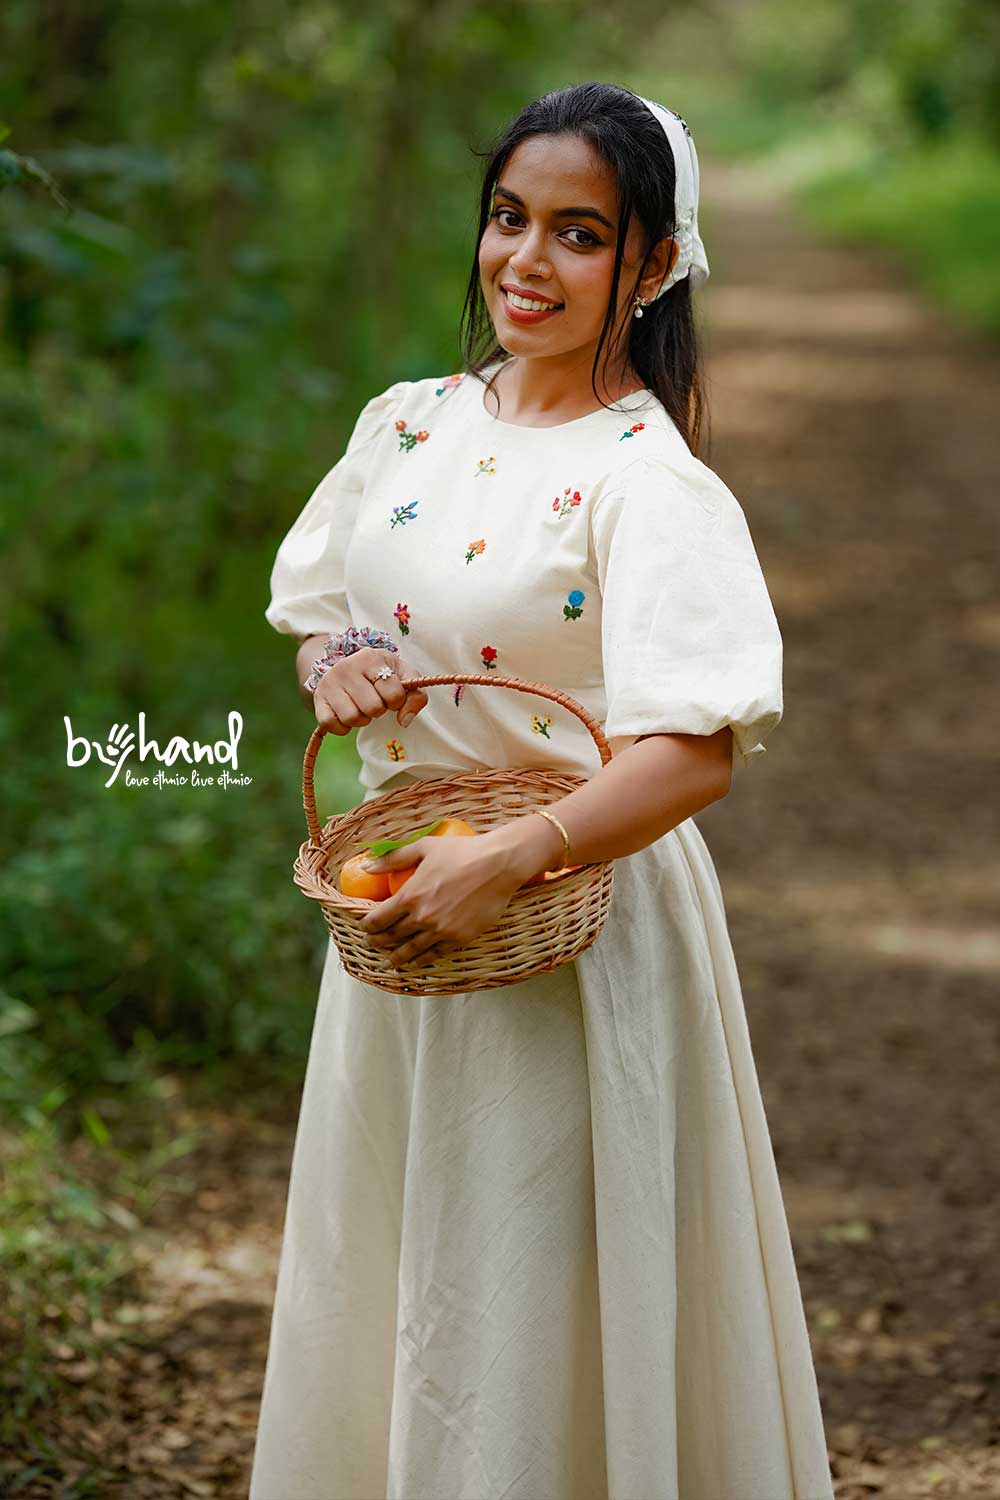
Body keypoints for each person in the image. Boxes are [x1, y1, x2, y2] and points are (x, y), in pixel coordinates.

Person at [249, 81, 835, 1500]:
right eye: (511, 219)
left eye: (578, 233)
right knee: (402, 1271)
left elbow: (693, 746)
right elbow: (330, 605)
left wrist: (519, 858)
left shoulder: (650, 483)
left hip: (573, 930)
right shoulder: (410, 427)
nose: (526, 260)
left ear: (651, 265)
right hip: (401, 927)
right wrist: (338, 663)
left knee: (538, 1290)